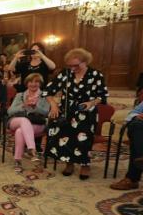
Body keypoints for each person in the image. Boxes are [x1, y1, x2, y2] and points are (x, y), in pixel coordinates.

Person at [43, 48, 108, 180]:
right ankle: (69, 163)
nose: (73, 68)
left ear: (85, 62)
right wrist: (54, 104)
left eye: (76, 65)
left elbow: (102, 95)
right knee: (65, 136)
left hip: (86, 111)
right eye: (70, 65)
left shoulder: (96, 75)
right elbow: (48, 91)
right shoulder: (65, 73)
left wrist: (91, 103)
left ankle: (85, 165)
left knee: (83, 139)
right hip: (67, 110)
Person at [6, 73, 50, 172]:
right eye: (30, 81)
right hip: (16, 120)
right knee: (24, 120)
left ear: (40, 83)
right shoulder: (19, 95)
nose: (33, 84)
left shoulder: (45, 96)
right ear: (27, 83)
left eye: (36, 82)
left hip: (37, 123)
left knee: (20, 132)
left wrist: (35, 108)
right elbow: (9, 112)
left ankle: (17, 160)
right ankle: (32, 149)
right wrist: (23, 105)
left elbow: (46, 112)